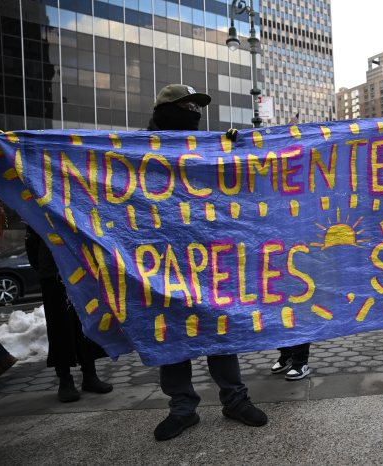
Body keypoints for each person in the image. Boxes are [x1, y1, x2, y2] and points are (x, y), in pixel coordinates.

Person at [148, 84, 267, 441]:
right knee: (171, 334)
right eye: (185, 105)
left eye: (196, 106)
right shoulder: (141, 149)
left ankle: (235, 398)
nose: (193, 112)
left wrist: (236, 147)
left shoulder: (211, 145)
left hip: (209, 255)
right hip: (163, 257)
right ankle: (182, 409)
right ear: (166, 108)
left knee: (219, 328)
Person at [25, 226, 113, 402]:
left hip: (81, 271)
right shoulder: (38, 204)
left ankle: (90, 375)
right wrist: (45, 268)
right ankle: (65, 380)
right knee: (59, 327)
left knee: (86, 324)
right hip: (53, 275)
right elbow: (32, 242)